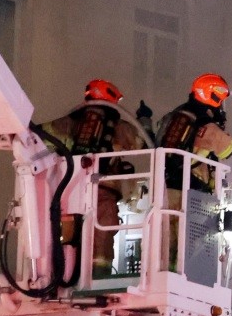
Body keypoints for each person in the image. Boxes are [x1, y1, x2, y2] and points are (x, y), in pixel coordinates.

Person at [36, 79, 153, 278]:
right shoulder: (118, 127)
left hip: (70, 192)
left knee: (68, 235)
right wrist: (144, 120)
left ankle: (63, 275)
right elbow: (145, 143)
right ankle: (98, 276)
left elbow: (37, 136)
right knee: (102, 236)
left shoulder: (68, 122)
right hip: (103, 191)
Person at [155, 73, 232, 272]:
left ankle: (165, 275)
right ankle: (181, 276)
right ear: (213, 96)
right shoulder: (205, 125)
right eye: (221, 101)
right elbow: (228, 149)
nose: (221, 106)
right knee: (190, 244)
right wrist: (219, 124)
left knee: (164, 243)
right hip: (190, 193)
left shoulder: (173, 117)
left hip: (163, 188)